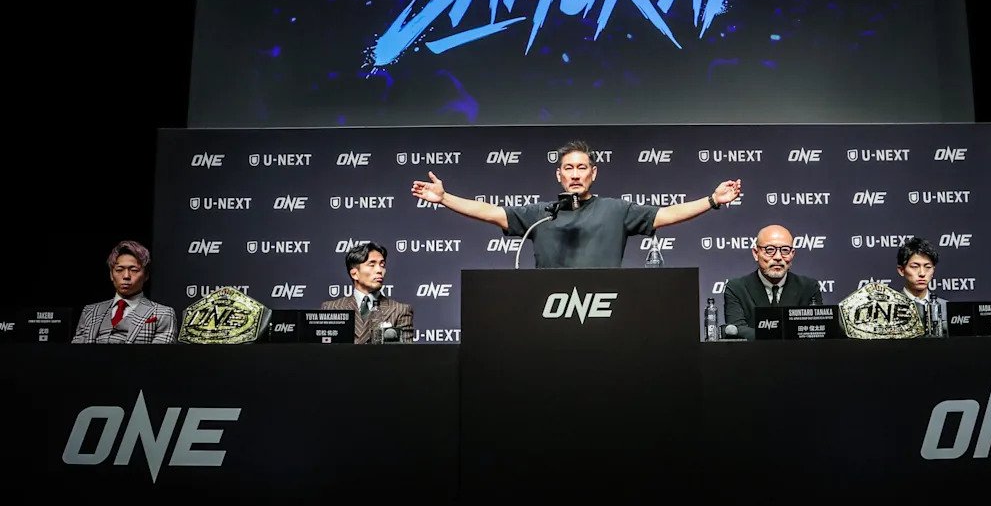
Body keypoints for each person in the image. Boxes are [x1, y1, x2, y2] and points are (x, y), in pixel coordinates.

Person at [409, 139, 742, 268]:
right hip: (548, 313)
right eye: (568, 168)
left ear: (593, 173)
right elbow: (492, 212)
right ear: (559, 175)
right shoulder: (542, 214)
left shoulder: (616, 210)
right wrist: (444, 198)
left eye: (582, 168)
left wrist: (712, 200)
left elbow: (666, 215)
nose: (575, 174)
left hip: (606, 310)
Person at [723, 224, 822, 340]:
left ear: (792, 254)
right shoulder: (737, 288)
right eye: (770, 250)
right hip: (754, 351)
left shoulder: (809, 287)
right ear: (756, 253)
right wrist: (785, 335)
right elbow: (737, 330)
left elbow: (817, 331)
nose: (778, 257)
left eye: (785, 250)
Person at [72, 240, 177, 344]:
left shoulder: (163, 313)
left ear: (146, 275)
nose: (126, 276)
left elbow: (159, 354)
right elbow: (76, 352)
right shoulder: (90, 312)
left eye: (134, 270)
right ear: (111, 275)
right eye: (119, 270)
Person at [321, 241, 415, 343]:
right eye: (372, 265)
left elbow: (404, 352)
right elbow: (324, 350)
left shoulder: (400, 310)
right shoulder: (332, 308)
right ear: (354, 274)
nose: (379, 270)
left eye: (382, 265)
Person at [896, 236, 948, 337]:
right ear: (901, 270)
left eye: (928, 267)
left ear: (933, 270)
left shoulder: (946, 308)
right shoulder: (890, 309)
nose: (922, 273)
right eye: (915, 267)